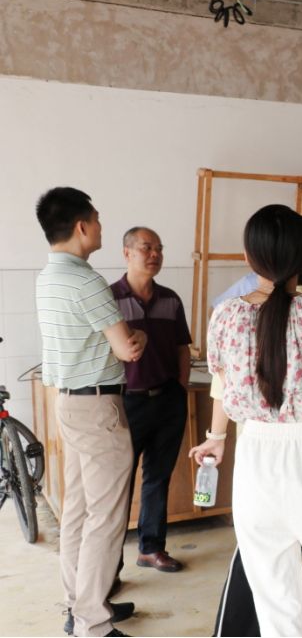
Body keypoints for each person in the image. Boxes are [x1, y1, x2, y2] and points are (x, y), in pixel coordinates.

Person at [189, 204, 302, 636]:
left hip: (255, 458)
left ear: (248, 257)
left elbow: (222, 385)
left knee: (273, 596)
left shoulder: (226, 316)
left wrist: (217, 437)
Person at [35, 187, 146, 638]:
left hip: (68, 402)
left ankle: (79, 605)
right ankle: (93, 623)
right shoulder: (86, 281)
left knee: (79, 510)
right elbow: (127, 348)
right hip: (99, 406)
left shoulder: (48, 276)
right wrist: (138, 337)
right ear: (82, 226)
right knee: (106, 516)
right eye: (97, 220)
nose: (101, 227)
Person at [111, 227, 191, 574]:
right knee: (118, 483)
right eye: (147, 248)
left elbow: (182, 348)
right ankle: (109, 562)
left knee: (158, 477)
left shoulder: (171, 299)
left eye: (159, 248)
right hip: (126, 404)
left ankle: (151, 548)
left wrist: (180, 389)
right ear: (127, 253)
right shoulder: (109, 299)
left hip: (167, 400)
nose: (155, 255)